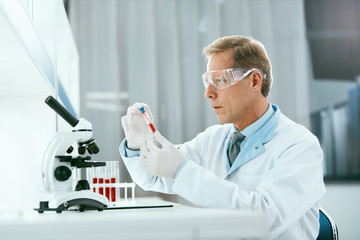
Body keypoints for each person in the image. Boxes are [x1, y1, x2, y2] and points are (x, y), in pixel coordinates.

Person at [119, 35, 325, 239]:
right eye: (207, 82)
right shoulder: (213, 139)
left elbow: (265, 219)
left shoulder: (300, 146)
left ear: (254, 81)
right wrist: (138, 146)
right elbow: (154, 178)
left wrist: (183, 171)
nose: (208, 93)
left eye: (219, 80)